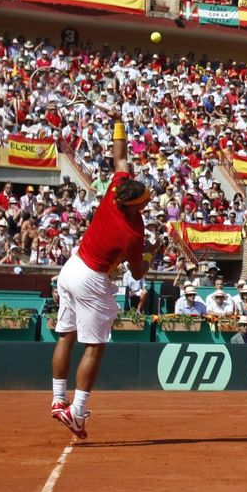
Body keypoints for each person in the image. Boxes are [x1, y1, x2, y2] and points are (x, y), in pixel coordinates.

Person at [50, 115, 149, 440]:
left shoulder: (117, 187)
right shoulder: (133, 232)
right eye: (144, 202)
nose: (147, 203)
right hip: (91, 280)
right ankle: (77, 413)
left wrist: (120, 123)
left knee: (66, 336)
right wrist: (150, 253)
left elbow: (120, 156)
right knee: (95, 346)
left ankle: (57, 399)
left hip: (70, 268)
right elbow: (137, 272)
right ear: (134, 207)